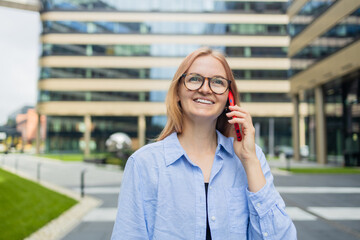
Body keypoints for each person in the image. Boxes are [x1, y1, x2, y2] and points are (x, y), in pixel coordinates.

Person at [111, 47, 297, 239]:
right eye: (194, 79)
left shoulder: (251, 157)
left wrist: (249, 160)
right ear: (177, 93)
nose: (205, 89)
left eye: (217, 82)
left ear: (228, 98)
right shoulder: (144, 163)